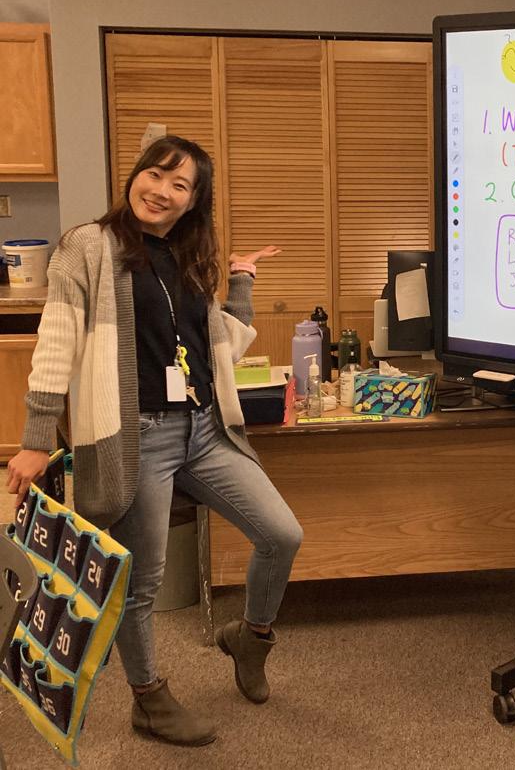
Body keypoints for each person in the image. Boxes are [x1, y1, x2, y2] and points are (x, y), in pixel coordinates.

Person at [5, 135, 303, 747]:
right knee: (141, 581)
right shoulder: (87, 247)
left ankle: (251, 638)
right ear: (135, 174)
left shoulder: (186, 258)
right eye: (156, 173)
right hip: (136, 437)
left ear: (194, 202)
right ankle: (148, 698)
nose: (162, 191)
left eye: (180, 184)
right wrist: (35, 435)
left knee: (281, 534)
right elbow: (56, 343)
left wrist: (240, 280)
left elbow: (219, 345)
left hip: (204, 430)